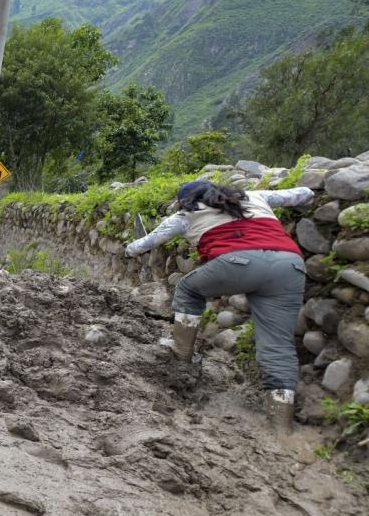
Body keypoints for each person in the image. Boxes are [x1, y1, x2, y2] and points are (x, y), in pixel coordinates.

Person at [124, 180, 314, 433]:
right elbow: (302, 193)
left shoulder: (185, 215)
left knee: (189, 289)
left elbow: (145, 244)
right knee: (278, 345)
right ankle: (282, 428)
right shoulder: (254, 196)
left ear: (185, 201)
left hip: (239, 262)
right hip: (289, 266)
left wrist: (129, 250)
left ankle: (181, 353)